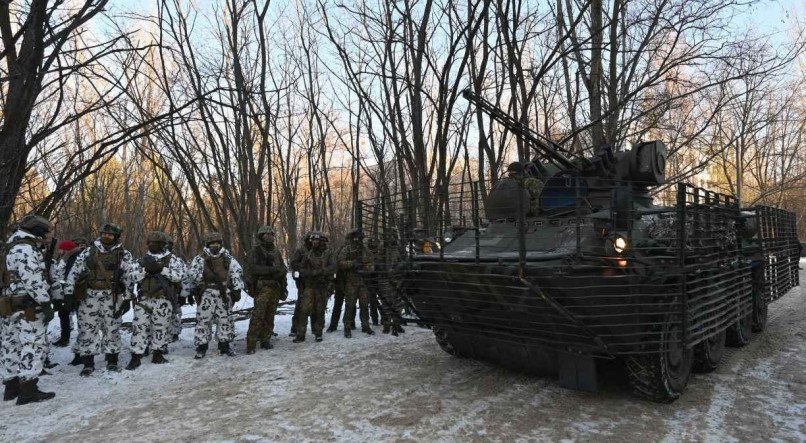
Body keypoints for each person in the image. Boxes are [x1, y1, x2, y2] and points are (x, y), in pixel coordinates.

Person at [64, 223, 136, 376]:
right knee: (87, 329)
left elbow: (129, 276)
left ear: (116, 236)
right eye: (104, 233)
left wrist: (128, 298)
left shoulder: (124, 254)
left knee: (112, 329)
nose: (106, 236)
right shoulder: (89, 252)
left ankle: (112, 361)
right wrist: (68, 293)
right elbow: (74, 272)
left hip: (112, 296)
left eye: (110, 235)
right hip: (90, 296)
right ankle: (88, 363)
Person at [0, 214, 56, 405]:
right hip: (28, 308)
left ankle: (11, 387)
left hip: (9, 305)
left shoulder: (8, 247)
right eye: (46, 232)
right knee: (32, 345)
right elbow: (33, 280)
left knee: (10, 345)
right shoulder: (25, 249)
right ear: (37, 231)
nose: (47, 236)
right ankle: (28, 389)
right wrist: (46, 303)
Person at [125, 232, 185, 370]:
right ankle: (136, 356)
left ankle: (158, 354)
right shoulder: (142, 260)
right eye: (150, 242)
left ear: (162, 245)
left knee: (161, 327)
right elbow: (132, 276)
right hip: (145, 299)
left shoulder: (173, 260)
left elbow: (178, 276)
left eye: (156, 243)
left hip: (163, 299)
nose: (152, 245)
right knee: (139, 327)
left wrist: (161, 269)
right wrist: (145, 271)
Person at [181, 232, 244, 359]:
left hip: (223, 293)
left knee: (225, 319)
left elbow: (236, 273)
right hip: (206, 293)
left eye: (217, 243)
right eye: (212, 243)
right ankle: (201, 347)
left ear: (221, 244)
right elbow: (191, 275)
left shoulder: (228, 258)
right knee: (203, 320)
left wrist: (237, 289)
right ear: (207, 245)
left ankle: (224, 345)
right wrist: (188, 292)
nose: (215, 245)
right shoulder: (200, 259)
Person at [245, 226, 287, 354]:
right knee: (258, 315)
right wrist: (270, 270)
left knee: (270, 315)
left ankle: (265, 340)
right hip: (262, 286)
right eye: (266, 234)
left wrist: (283, 287)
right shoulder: (256, 251)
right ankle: (251, 344)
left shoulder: (276, 251)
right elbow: (251, 268)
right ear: (261, 236)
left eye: (271, 234)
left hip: (275, 286)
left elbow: (283, 269)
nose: (269, 236)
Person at [293, 232, 333, 343]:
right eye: (313, 241)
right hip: (309, 286)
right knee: (304, 310)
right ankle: (300, 334)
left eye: (318, 241)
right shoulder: (307, 254)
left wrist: (322, 272)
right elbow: (301, 268)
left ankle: (318, 333)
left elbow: (332, 267)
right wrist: (311, 273)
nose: (315, 243)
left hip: (322, 286)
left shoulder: (327, 254)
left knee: (319, 311)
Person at [336, 229, 374, 338]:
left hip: (363, 282)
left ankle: (365, 325)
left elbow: (371, 263)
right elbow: (340, 262)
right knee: (350, 305)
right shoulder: (347, 249)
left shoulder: (365, 250)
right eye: (356, 238)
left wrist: (366, 268)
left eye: (360, 238)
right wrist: (352, 264)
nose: (358, 240)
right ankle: (347, 327)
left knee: (364, 304)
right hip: (350, 282)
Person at [50, 240, 85, 347]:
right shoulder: (68, 258)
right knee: (63, 314)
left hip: (75, 293)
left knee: (81, 319)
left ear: (66, 250)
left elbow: (63, 276)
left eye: (61, 249)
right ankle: (65, 338)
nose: (59, 251)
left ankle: (80, 344)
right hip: (67, 293)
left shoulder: (74, 259)